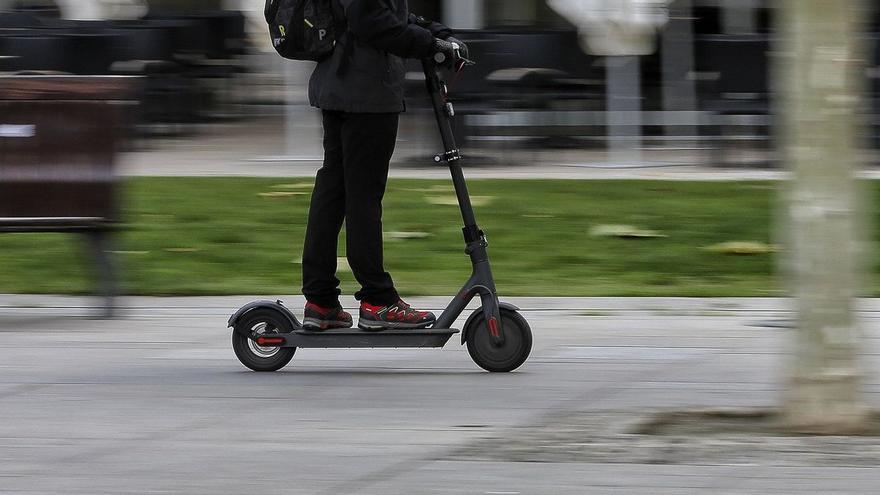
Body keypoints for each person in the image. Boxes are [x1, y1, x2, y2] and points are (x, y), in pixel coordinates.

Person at [301, 0, 466, 331]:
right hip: (366, 93)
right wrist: (431, 45)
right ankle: (377, 300)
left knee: (334, 192)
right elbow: (374, 22)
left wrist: (438, 34)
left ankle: (320, 301)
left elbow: (389, 14)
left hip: (341, 85)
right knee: (362, 198)